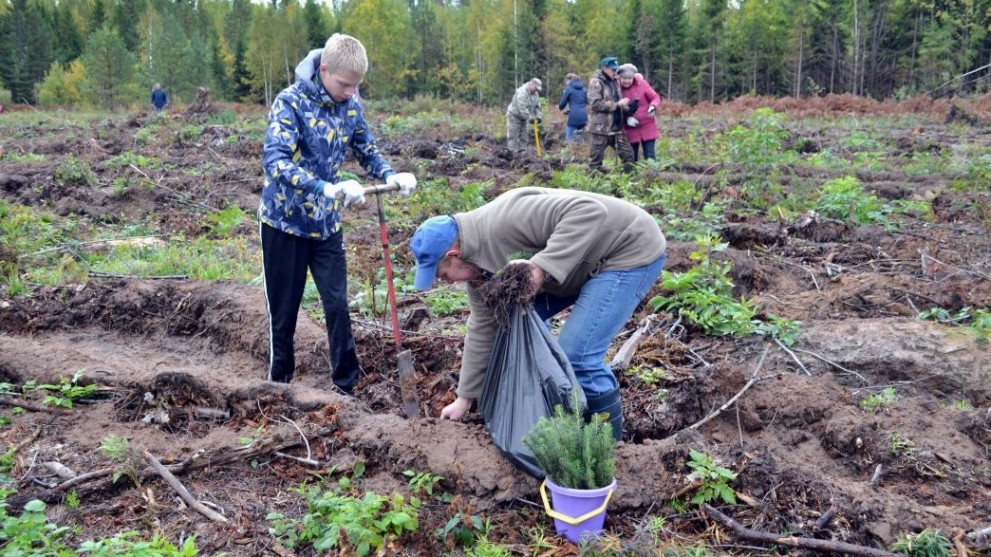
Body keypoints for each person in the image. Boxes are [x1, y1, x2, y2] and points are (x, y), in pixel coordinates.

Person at [410, 187, 667, 440]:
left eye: (443, 275)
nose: (446, 282)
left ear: (454, 255)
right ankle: (562, 421)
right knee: (508, 323)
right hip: (579, 266)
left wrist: (541, 268)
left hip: (626, 250)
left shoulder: (507, 219)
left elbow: (588, 211)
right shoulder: (477, 273)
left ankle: (609, 448)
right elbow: (483, 326)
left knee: (577, 356)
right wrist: (463, 399)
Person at [259, 33, 417, 392]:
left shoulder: (351, 105)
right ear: (324, 69)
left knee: (338, 306)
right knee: (283, 313)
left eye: (356, 86)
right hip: (284, 223)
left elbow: (366, 149)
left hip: (326, 227)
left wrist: (391, 174)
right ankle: (279, 386)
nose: (350, 92)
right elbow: (275, 162)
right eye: (345, 85)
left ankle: (347, 388)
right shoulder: (290, 103)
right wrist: (324, 187)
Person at [587, 57, 635, 172]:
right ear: (604, 68)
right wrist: (618, 104)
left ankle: (625, 182)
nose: (615, 72)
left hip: (617, 129)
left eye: (616, 70)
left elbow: (636, 79)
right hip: (600, 129)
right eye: (613, 70)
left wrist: (629, 108)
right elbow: (596, 104)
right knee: (595, 161)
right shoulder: (596, 82)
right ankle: (592, 185)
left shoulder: (615, 81)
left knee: (629, 157)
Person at [617, 64, 661, 162]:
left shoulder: (643, 84)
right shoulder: (617, 89)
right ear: (619, 77)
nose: (627, 81)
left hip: (647, 126)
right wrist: (627, 118)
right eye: (624, 78)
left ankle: (652, 175)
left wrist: (652, 107)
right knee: (632, 157)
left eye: (629, 78)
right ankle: (633, 176)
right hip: (630, 129)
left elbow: (655, 98)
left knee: (650, 156)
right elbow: (616, 108)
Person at [506, 78, 543, 155]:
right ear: (531, 84)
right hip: (514, 116)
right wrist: (530, 118)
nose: (536, 90)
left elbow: (537, 106)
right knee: (513, 137)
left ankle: (522, 154)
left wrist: (539, 116)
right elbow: (522, 108)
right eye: (536, 88)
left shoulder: (535, 94)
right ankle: (513, 155)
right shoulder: (522, 92)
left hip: (524, 118)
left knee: (524, 137)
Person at [558, 73, 587, 143]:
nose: (566, 83)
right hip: (584, 116)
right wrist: (570, 110)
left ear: (569, 80)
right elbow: (583, 103)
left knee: (569, 139)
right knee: (580, 139)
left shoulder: (569, 88)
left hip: (573, 117)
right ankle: (580, 152)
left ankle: (570, 151)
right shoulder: (583, 89)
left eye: (567, 81)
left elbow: (561, 105)